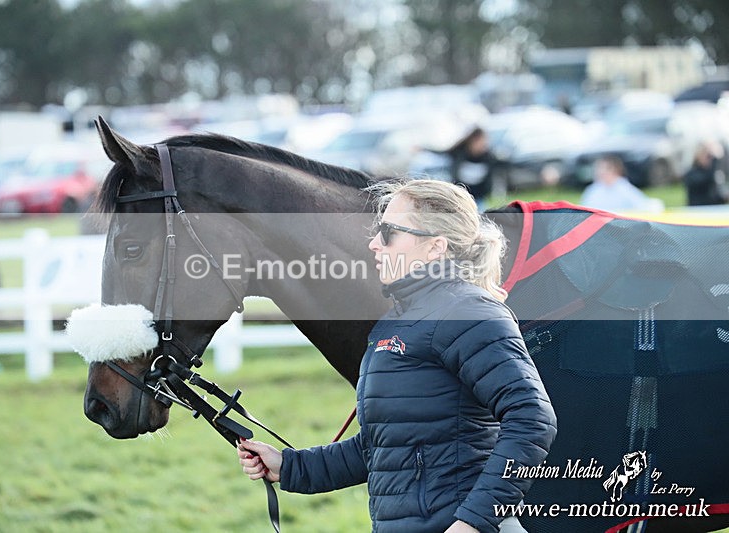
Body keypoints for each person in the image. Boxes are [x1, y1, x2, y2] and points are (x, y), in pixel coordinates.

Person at [238, 179, 557, 533]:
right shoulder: (394, 322)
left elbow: (532, 418)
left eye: (389, 232)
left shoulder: (470, 313)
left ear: (436, 246)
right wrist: (289, 466)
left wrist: (474, 521)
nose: (374, 243)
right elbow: (383, 448)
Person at [580, 155, 662, 212]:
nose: (599, 172)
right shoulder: (592, 190)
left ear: (614, 170)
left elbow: (643, 206)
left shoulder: (624, 189)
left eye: (603, 169)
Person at [446, 126, 493, 212]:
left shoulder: (488, 156)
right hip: (462, 195)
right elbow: (442, 152)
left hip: (479, 196)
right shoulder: (460, 153)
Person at [684, 141, 728, 206]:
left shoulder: (714, 172)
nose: (710, 159)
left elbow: (714, 195)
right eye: (708, 156)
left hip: (713, 211)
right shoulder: (691, 173)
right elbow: (707, 180)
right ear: (698, 155)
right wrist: (715, 159)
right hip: (698, 212)